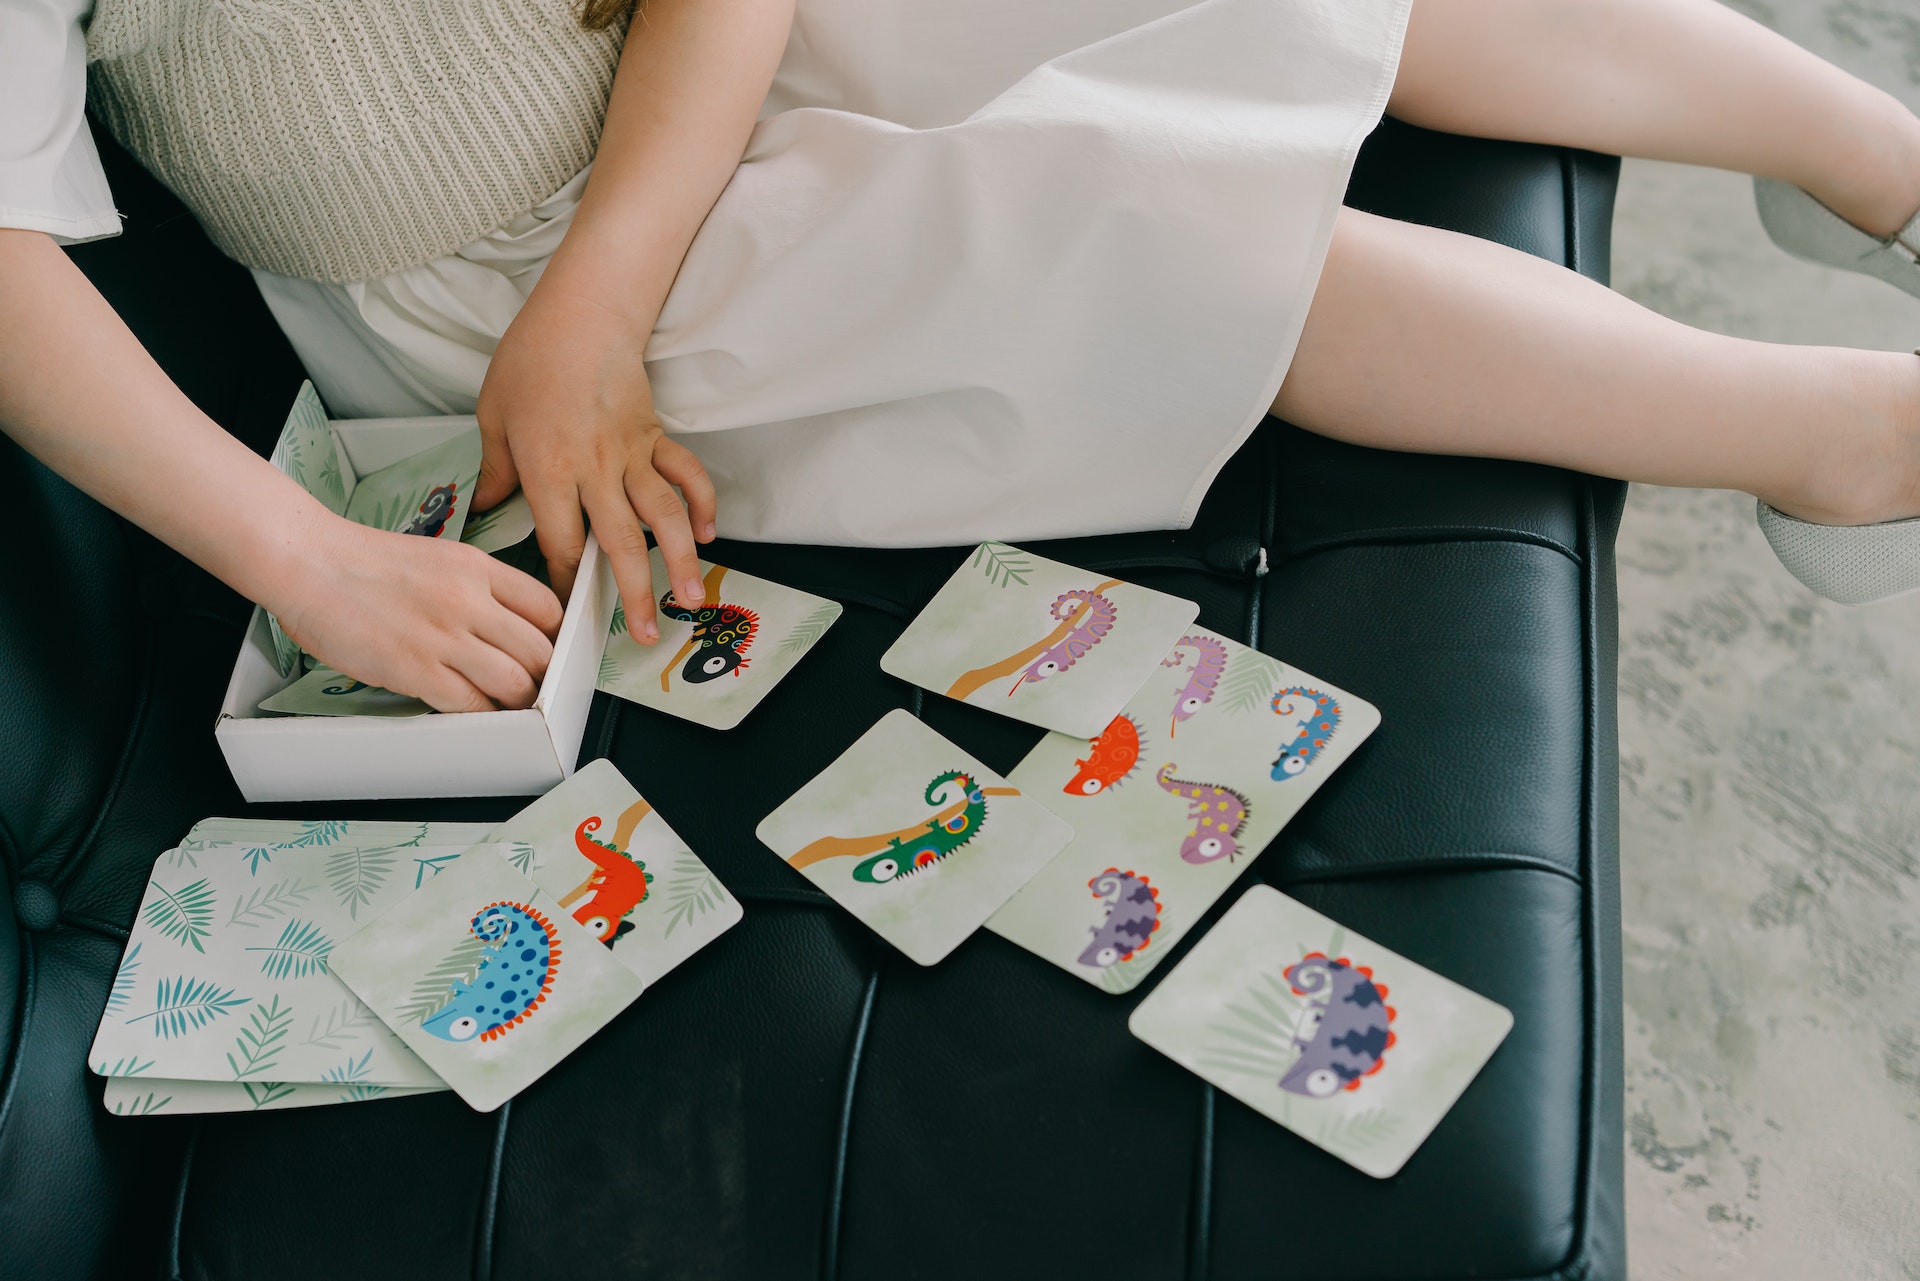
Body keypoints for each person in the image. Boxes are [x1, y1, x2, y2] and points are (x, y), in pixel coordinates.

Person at [3, 0, 1917, 714]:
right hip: (483, 281)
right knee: (1136, 227)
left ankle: (1877, 163)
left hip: (678, 79)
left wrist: (607, 273)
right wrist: (311, 556)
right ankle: (1837, 434)